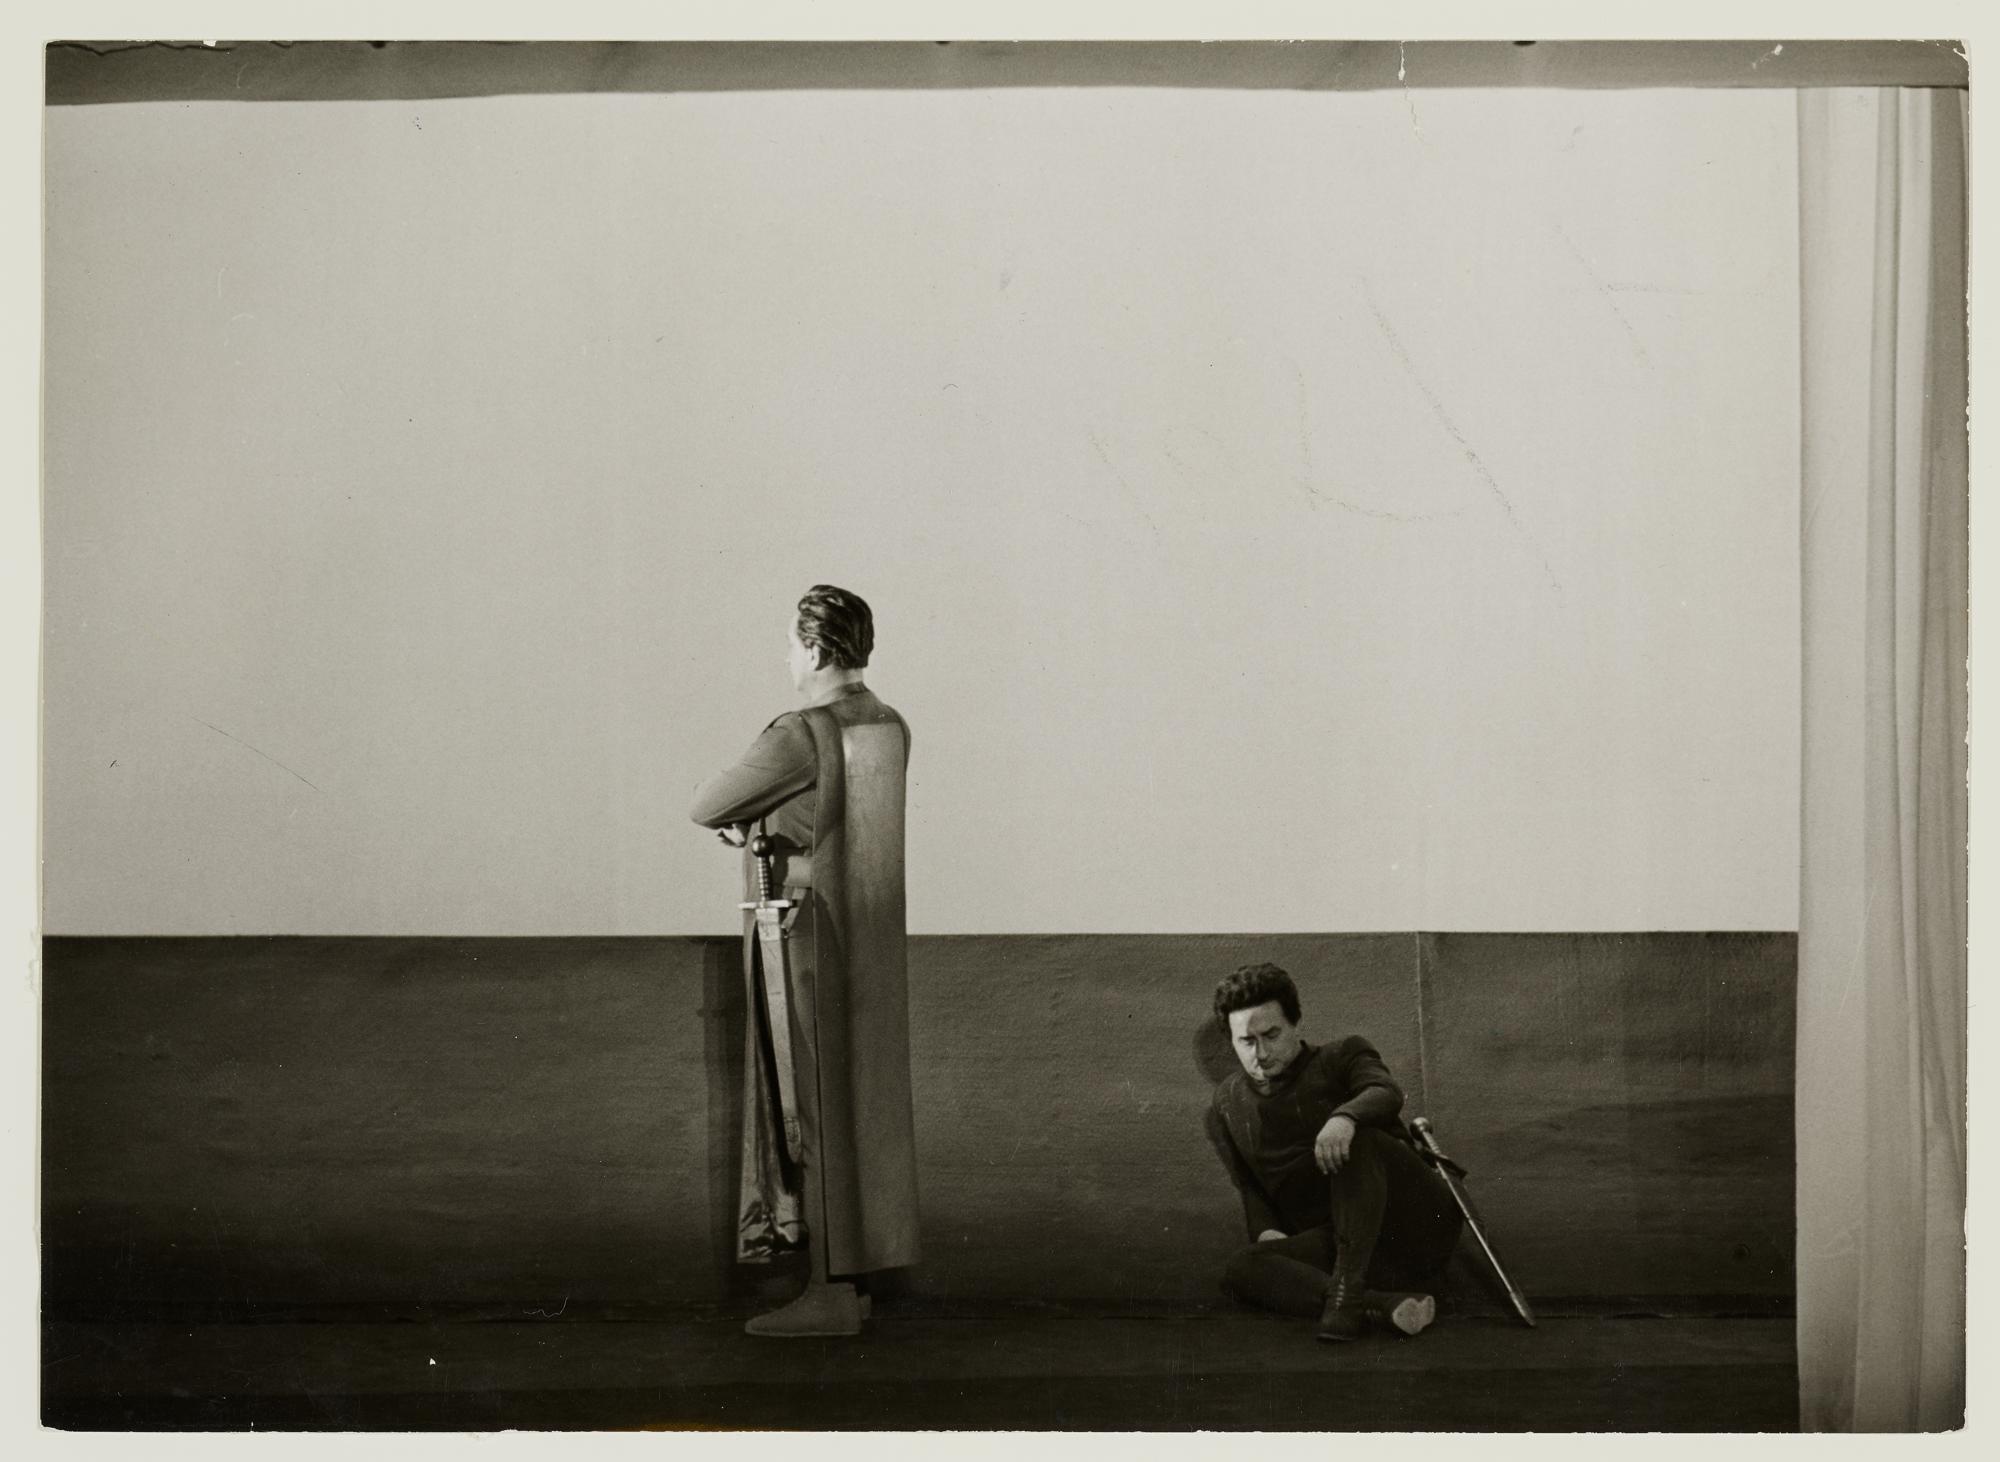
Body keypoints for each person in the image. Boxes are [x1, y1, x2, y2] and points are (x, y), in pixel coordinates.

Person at [690, 585, 918, 1337]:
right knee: (859, 1109)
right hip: (867, 942)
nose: (787, 658)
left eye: (791, 644)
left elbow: (708, 803)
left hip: (803, 938)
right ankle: (855, 1282)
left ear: (816, 650)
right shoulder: (887, 723)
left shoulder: (802, 732)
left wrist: (753, 815)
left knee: (809, 1108)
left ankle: (827, 1292)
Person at [1205, 962, 1462, 1342]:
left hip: (1411, 1227)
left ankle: (1346, 1301)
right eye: (1246, 1041)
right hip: (1342, 1244)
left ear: (1295, 1023)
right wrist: (1269, 1234)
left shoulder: (1342, 1055)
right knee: (1243, 1267)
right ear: (1231, 1040)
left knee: (1361, 1139)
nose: (1261, 1052)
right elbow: (1250, 1183)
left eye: (1272, 1034)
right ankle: (1379, 1304)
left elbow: (1385, 1092)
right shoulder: (1228, 1100)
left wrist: (1345, 1118)